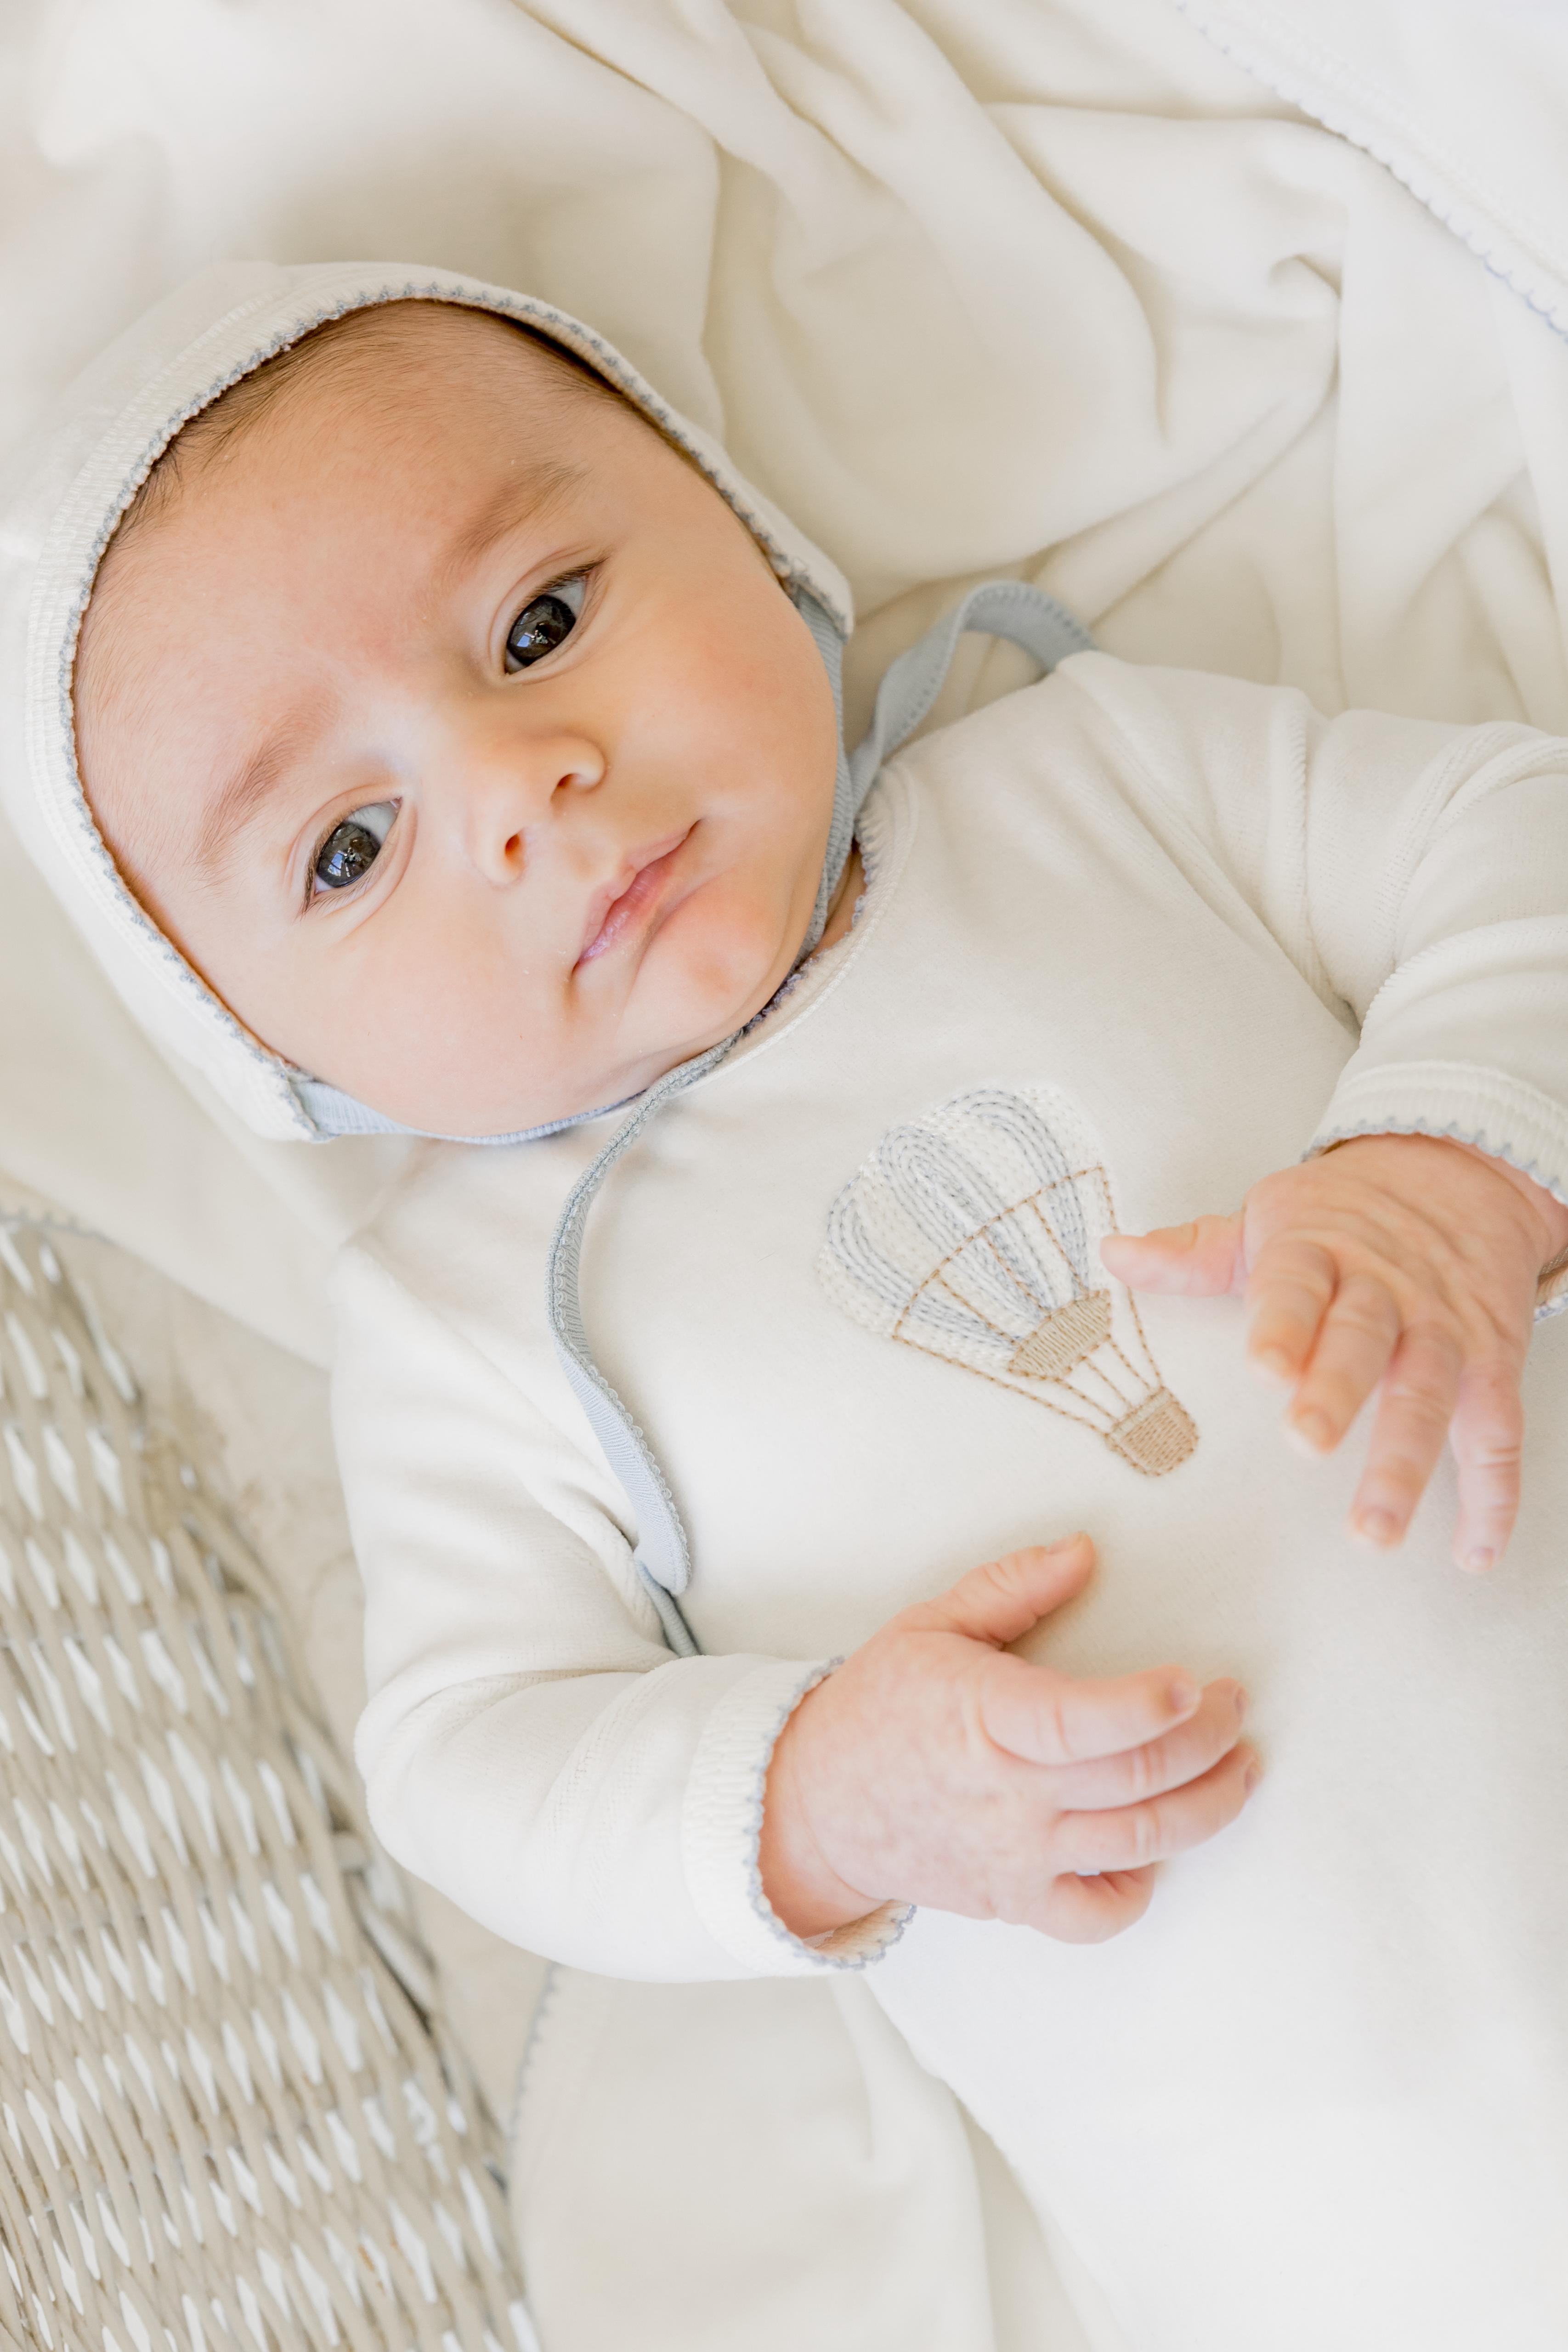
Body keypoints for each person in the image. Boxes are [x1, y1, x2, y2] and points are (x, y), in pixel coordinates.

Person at [13, 261, 1568, 2350]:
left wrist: (1450, 1163)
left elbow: (1513, 835)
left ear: (746, 533)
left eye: (539, 624)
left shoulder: (1094, 777)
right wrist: (814, 1797)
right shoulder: (469, 1320)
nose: (521, 785)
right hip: (1349, 2220)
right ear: (262, 1050)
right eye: (350, 847)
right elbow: (474, 1755)